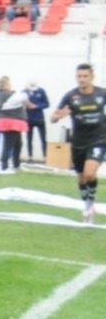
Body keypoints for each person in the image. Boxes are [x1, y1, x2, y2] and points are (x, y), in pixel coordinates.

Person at [51, 63, 106, 224]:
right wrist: (58, 116)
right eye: (79, 76)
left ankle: (90, 204)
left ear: (92, 77)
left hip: (99, 139)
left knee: (89, 173)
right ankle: (87, 203)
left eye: (85, 76)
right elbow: (53, 118)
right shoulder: (70, 96)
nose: (82, 79)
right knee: (82, 178)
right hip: (78, 142)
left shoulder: (101, 93)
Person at [25, 80, 50, 161]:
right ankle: (30, 156)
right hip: (29, 118)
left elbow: (47, 104)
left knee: (43, 138)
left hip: (39, 118)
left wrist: (36, 106)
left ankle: (45, 156)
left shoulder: (41, 91)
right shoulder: (25, 92)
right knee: (29, 138)